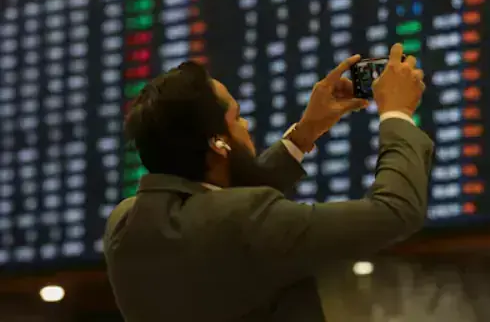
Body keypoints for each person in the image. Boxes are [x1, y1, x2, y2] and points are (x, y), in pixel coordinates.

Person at [103, 43, 433, 322]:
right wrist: (397, 114)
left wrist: (305, 132)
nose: (245, 125)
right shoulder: (248, 221)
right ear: (218, 143)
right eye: (236, 117)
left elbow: (216, 210)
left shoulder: (123, 225)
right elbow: (395, 210)